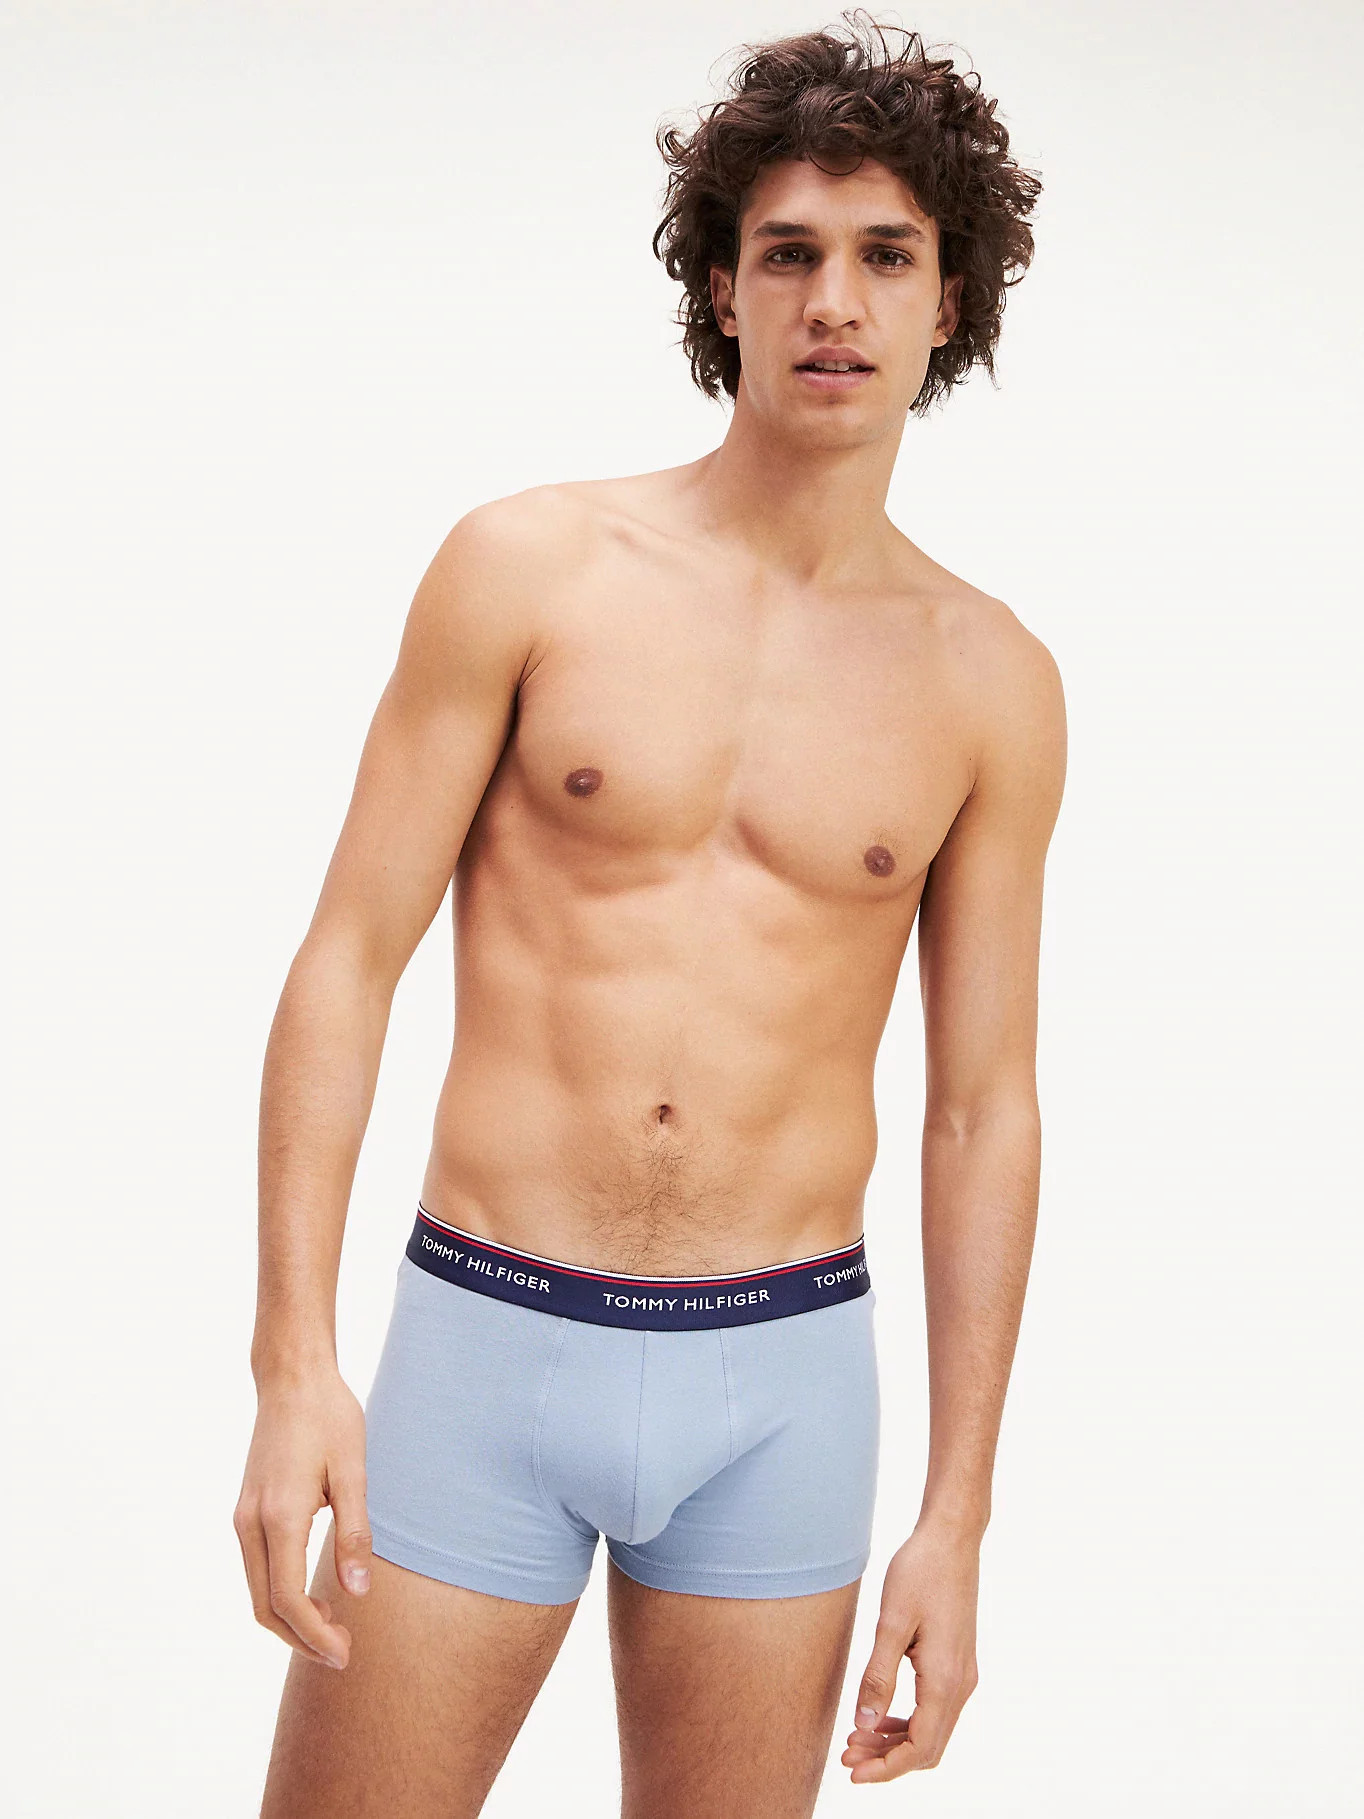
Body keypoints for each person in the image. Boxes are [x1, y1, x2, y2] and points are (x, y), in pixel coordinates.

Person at [234, 15, 1064, 1816]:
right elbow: (347, 961)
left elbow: (981, 1110)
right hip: (485, 1343)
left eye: (886, 256)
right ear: (721, 286)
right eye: (790, 252)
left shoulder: (992, 682)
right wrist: (292, 1365)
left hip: (786, 1387)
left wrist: (958, 1515)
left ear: (948, 300)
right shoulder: (530, 569)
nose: (834, 301)